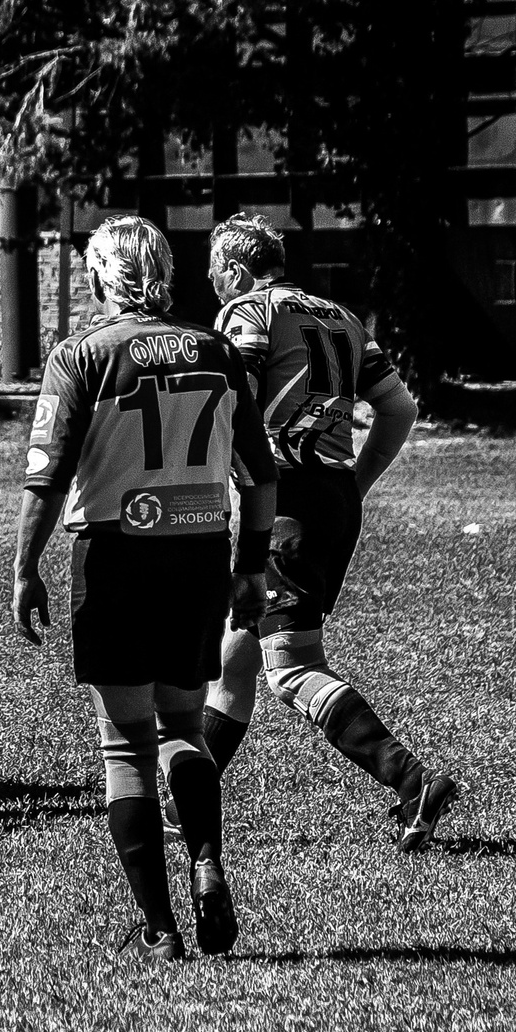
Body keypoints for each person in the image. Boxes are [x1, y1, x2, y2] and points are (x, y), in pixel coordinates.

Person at [12, 216, 278, 961]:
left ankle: (161, 931)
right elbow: (260, 475)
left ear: (101, 277)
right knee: (183, 731)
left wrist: (25, 567)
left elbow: (46, 477)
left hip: (115, 557)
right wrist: (251, 567)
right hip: (198, 556)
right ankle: (206, 859)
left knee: (124, 749)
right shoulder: (217, 351)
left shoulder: (82, 356)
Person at [198, 215, 459, 852]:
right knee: (238, 655)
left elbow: (233, 402)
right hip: (332, 493)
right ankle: (189, 802)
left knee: (291, 668)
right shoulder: (342, 316)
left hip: (281, 493)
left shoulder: (246, 315)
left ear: (234, 270)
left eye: (213, 272)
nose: (211, 282)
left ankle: (409, 777)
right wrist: (357, 480)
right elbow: (398, 407)